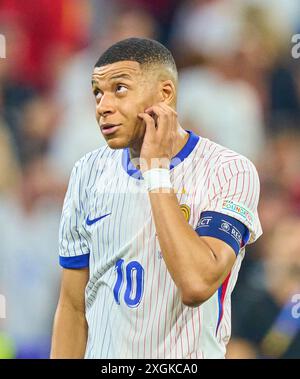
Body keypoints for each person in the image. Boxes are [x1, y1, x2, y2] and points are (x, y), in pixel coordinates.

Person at [50, 37, 262, 359]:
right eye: (97, 92)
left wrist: (156, 171)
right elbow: (72, 307)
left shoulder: (229, 171)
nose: (103, 106)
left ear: (165, 95)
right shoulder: (87, 172)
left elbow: (196, 285)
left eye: (119, 88)